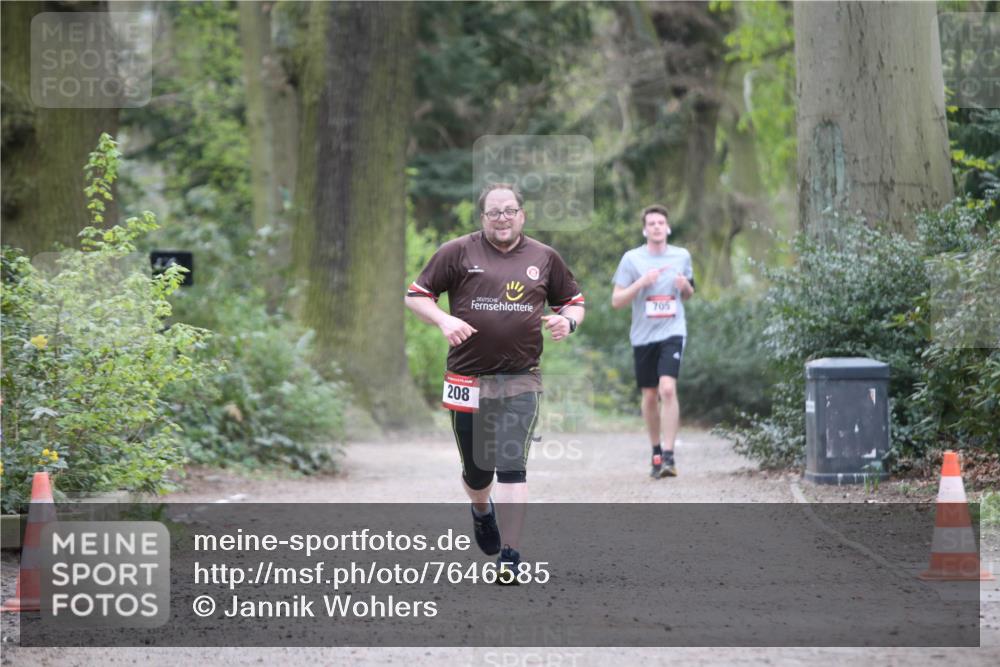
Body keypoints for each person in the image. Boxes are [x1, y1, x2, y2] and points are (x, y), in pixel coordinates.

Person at [404, 183, 585, 583]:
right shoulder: (457, 252)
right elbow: (416, 296)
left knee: (511, 465)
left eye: (509, 211)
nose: (502, 218)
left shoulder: (544, 257)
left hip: (521, 378)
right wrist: (443, 319)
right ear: (482, 217)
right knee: (476, 471)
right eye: (493, 212)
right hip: (466, 378)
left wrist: (567, 321)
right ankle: (481, 509)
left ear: (522, 214)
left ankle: (511, 555)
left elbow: (574, 301)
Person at [611, 204, 694, 479]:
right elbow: (617, 301)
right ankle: (656, 451)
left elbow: (689, 293)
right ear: (644, 229)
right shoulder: (632, 260)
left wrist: (685, 288)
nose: (657, 227)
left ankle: (669, 456)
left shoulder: (681, 256)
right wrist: (641, 283)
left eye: (661, 222)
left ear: (667, 227)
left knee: (667, 389)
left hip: (673, 331)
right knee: (649, 395)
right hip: (643, 336)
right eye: (652, 223)